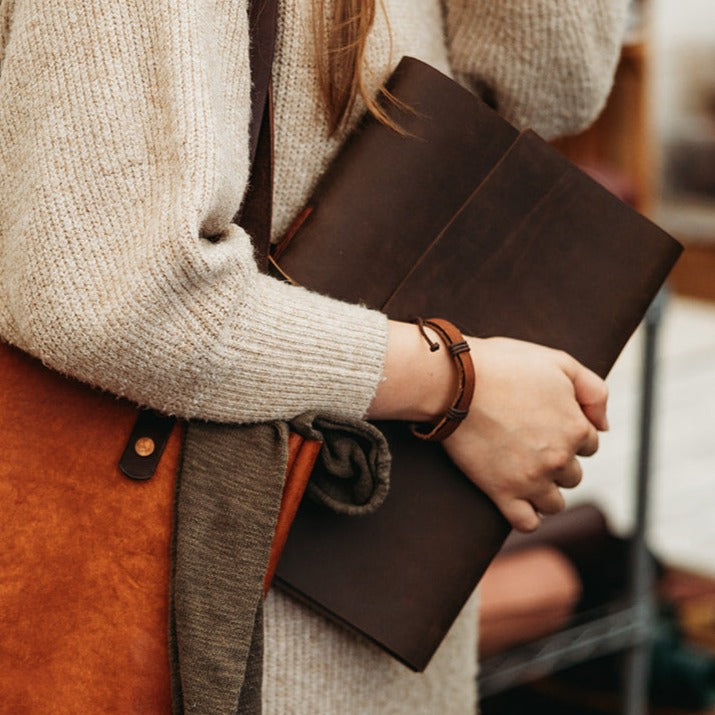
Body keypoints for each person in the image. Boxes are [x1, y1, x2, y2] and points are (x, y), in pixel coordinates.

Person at [0, 0, 628, 712]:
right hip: (217, 632)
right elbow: (114, 288)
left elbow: (552, 84)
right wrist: (455, 382)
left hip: (355, 624)